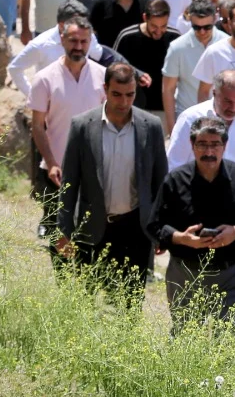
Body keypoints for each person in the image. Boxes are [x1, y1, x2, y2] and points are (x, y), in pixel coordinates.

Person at [56, 63, 168, 301]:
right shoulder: (83, 126)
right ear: (105, 89)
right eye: (117, 94)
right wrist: (64, 230)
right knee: (87, 302)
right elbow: (69, 183)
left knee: (129, 305)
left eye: (130, 95)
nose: (124, 102)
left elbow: (160, 183)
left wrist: (161, 230)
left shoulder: (151, 127)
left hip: (134, 229)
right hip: (92, 226)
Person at [149, 114, 235, 324]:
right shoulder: (175, 181)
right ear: (192, 144)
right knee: (186, 340)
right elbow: (155, 225)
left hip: (232, 273)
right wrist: (181, 238)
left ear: (225, 145)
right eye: (202, 144)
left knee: (228, 342)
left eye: (215, 144)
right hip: (185, 272)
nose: (209, 151)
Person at [28, 16, 106, 206]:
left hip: (94, 167)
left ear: (90, 42)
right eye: (73, 40)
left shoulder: (103, 76)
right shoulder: (44, 78)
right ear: (62, 39)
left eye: (83, 41)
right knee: (56, 228)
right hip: (57, 170)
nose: (78, 46)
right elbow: (37, 126)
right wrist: (51, 162)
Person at [6, 0, 115, 95]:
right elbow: (15, 68)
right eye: (77, 23)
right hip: (52, 107)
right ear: (62, 25)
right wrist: (33, 97)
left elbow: (98, 56)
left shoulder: (87, 36)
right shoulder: (42, 44)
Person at [167, 69, 235, 170]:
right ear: (214, 93)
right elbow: (174, 163)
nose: (233, 108)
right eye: (227, 101)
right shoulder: (189, 118)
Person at [160, 0, 219, 136]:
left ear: (215, 19)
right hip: (187, 120)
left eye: (207, 27)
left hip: (221, 121)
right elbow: (168, 89)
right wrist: (172, 129)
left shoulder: (226, 44)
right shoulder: (177, 48)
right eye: (197, 27)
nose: (202, 32)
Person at [114, 0, 178, 113]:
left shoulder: (175, 38)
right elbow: (113, 67)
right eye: (154, 26)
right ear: (145, 18)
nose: (158, 31)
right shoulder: (127, 37)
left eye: (163, 26)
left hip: (165, 109)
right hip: (133, 109)